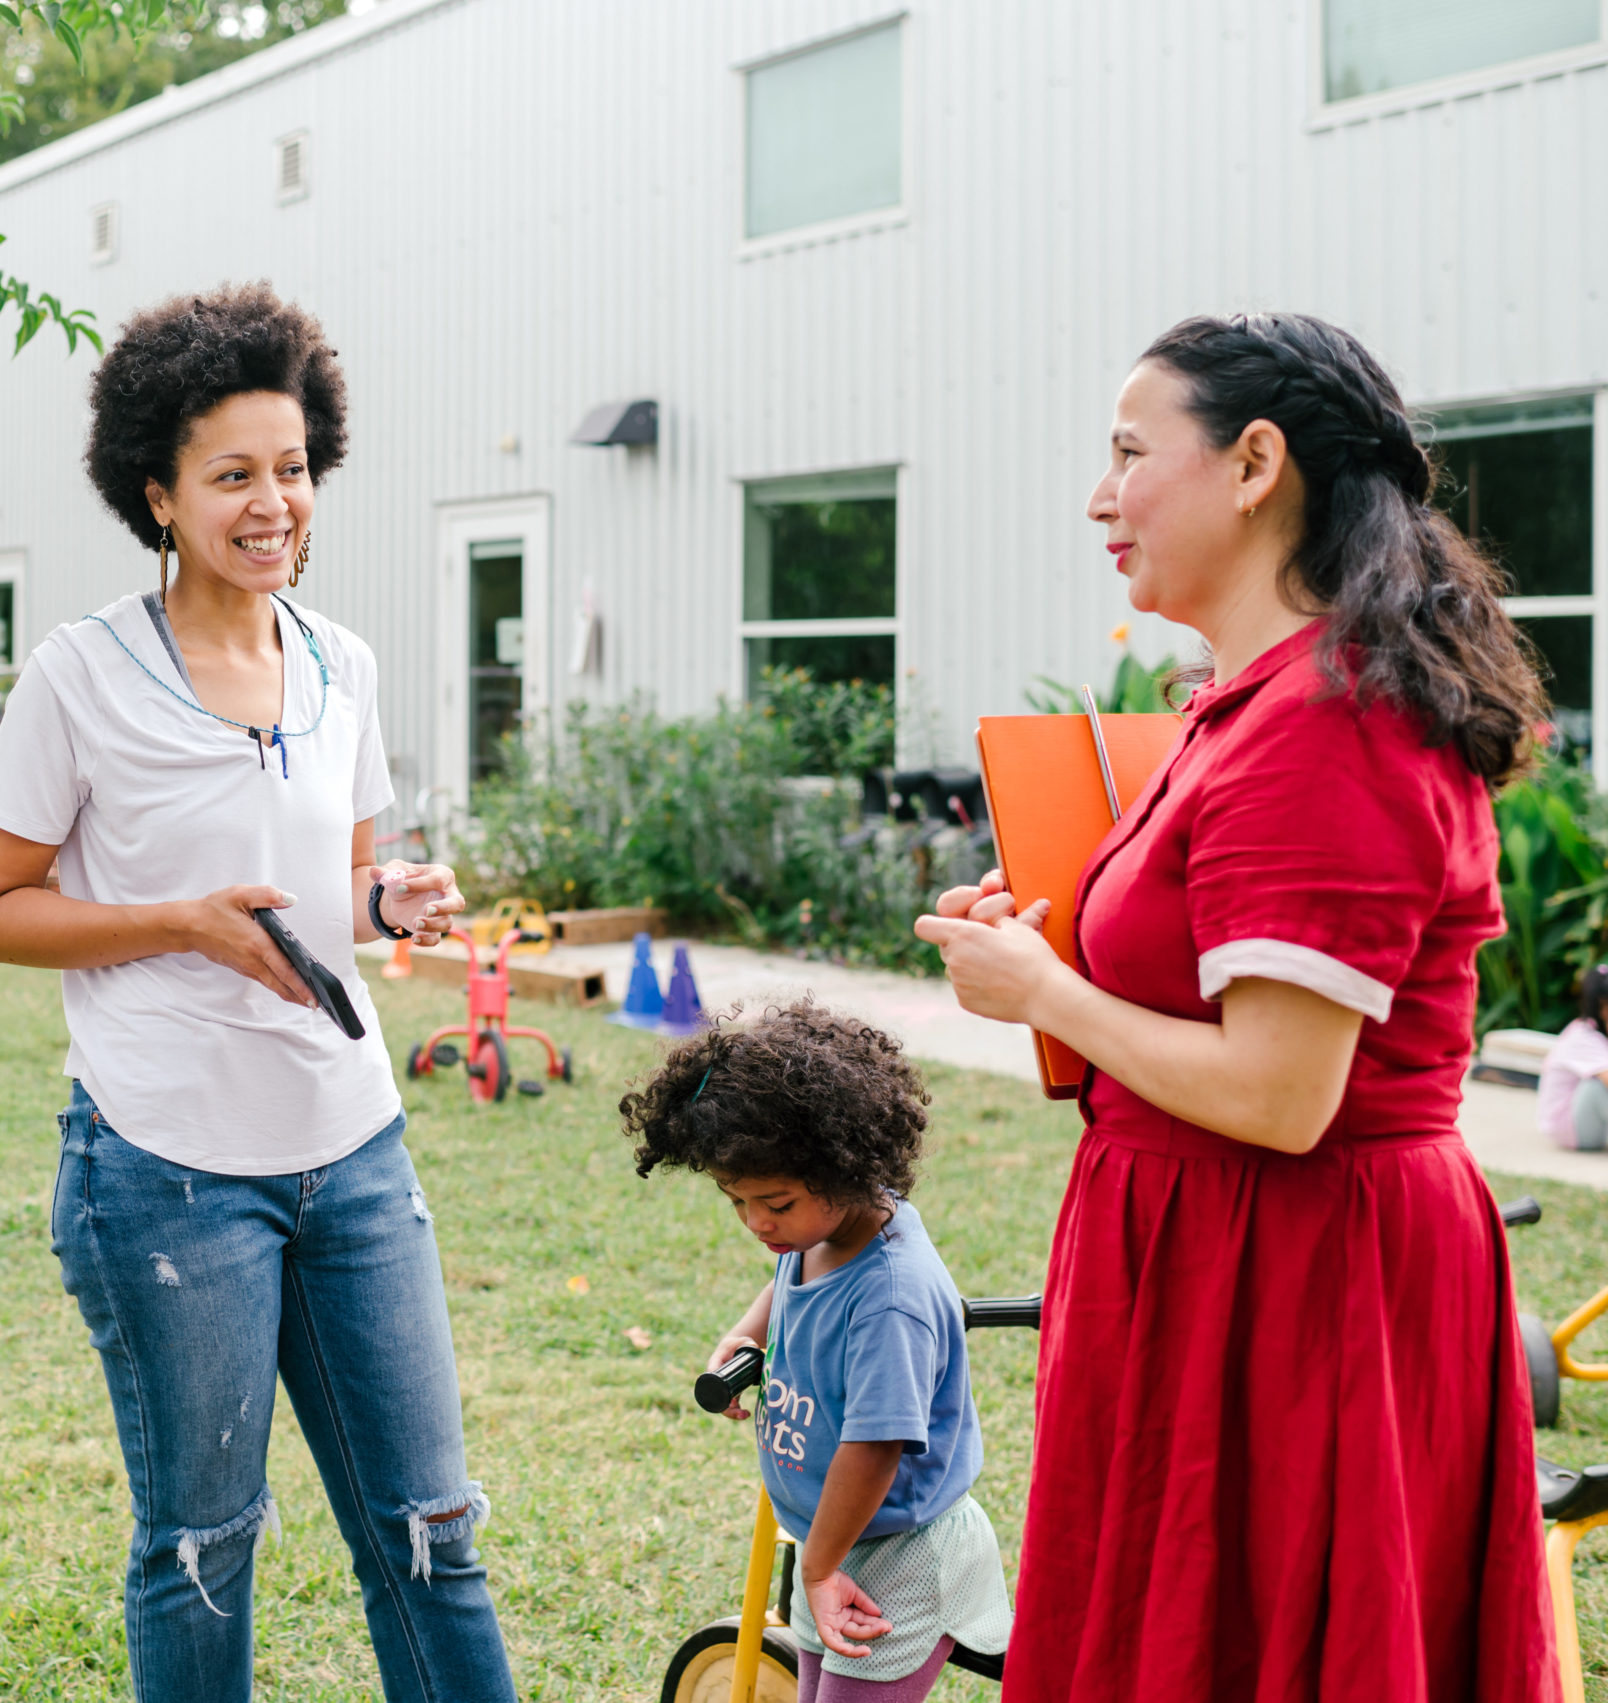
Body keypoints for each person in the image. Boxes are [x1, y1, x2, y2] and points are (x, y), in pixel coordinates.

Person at [915, 312, 1556, 1700]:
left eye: (1132, 452)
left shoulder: (1328, 720)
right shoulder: (1247, 702)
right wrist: (1050, 938)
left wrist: (1048, 989)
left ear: (1256, 462)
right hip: (1221, 1260)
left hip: (1302, 1280)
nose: (1102, 495)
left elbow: (1280, 1091)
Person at [0, 282, 513, 1703]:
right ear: (157, 491)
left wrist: (394, 903)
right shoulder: (78, 675)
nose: (275, 504)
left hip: (355, 1148)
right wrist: (178, 926)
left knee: (433, 1533)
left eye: (293, 469)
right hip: (166, 1170)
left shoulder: (343, 662)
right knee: (202, 1544)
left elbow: (344, 880)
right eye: (234, 475)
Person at [627, 1003, 1011, 1702]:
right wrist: (748, 1333)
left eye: (773, 1200)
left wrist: (820, 1567)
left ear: (845, 1168)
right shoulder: (820, 1234)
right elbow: (789, 1283)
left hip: (899, 1551)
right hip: (838, 1546)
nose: (755, 1222)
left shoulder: (890, 1296)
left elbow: (875, 1446)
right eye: (734, 1199)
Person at [1537, 965, 1608, 1152]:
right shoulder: (1583, 1036)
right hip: (1572, 1129)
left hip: (1594, 1124)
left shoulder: (1600, 1034)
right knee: (1597, 1085)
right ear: (1601, 1006)